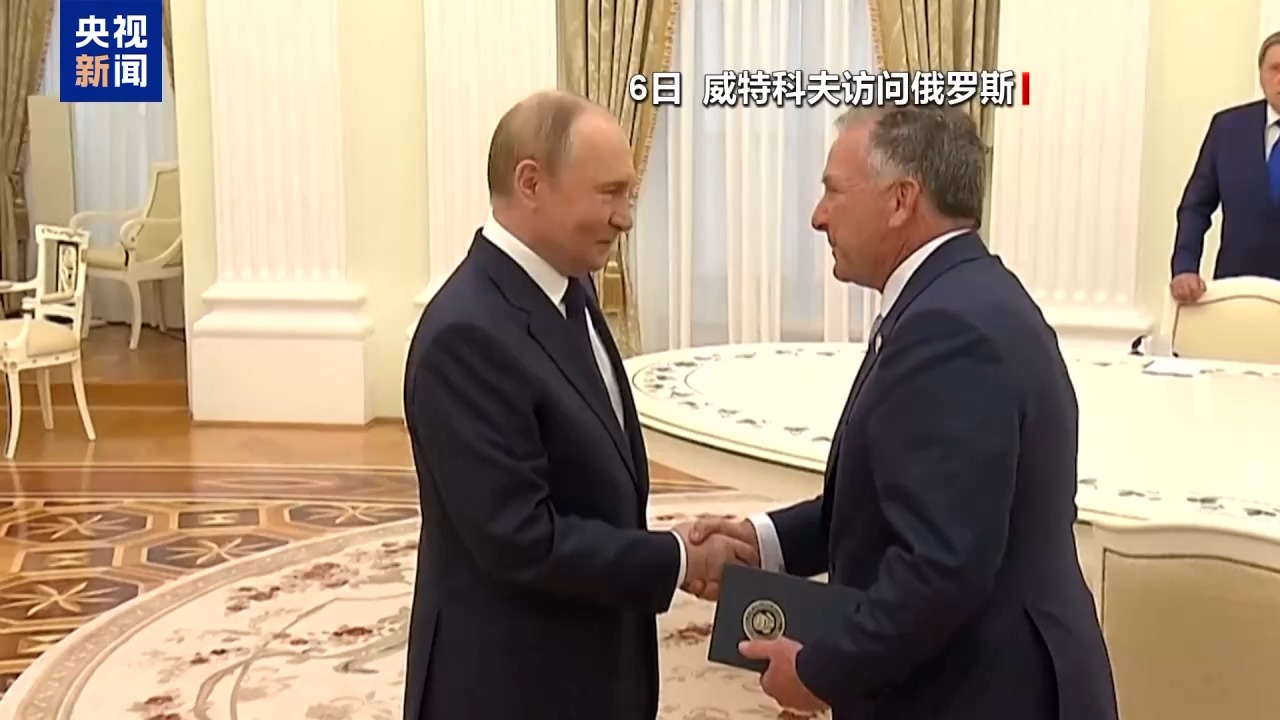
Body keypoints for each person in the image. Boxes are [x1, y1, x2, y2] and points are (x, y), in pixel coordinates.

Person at [687, 106, 1118, 719]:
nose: (818, 216)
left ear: (900, 200)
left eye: (833, 192)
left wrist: (822, 672)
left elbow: (942, 565)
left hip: (985, 691)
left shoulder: (950, 327)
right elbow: (902, 504)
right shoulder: (959, 294)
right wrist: (765, 542)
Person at [400, 90, 757, 720]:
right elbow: (520, 539)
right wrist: (679, 558)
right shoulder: (467, 334)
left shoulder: (571, 287)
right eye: (609, 193)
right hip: (510, 685)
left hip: (588, 661)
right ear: (531, 183)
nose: (625, 218)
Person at [1170, 31, 1280, 303]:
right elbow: (1196, 207)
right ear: (1261, 75)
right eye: (1275, 69)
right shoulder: (1228, 129)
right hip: (1238, 294)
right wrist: (1185, 267)